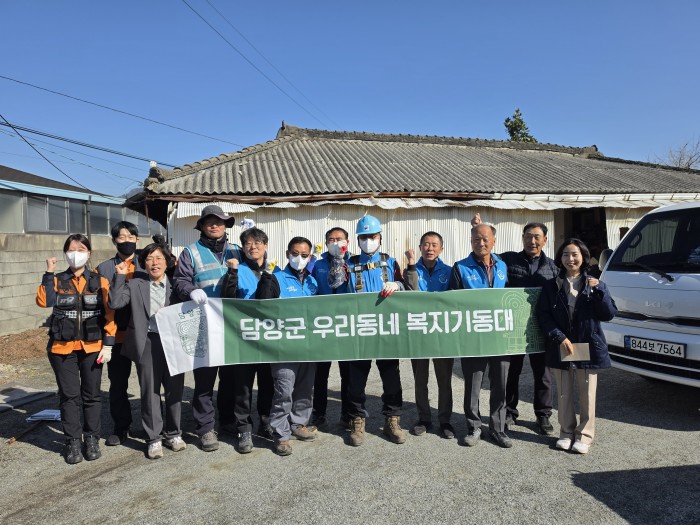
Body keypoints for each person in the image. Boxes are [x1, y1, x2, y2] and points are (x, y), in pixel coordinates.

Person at [473, 213, 558, 435]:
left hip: (541, 328)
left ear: (545, 240)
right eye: (528, 236)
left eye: (537, 237)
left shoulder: (553, 267)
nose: (532, 241)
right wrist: (480, 229)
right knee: (512, 372)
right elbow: (485, 255)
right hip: (513, 328)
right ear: (523, 238)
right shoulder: (508, 260)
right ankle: (510, 412)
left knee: (543, 374)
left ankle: (543, 415)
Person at [36, 234, 116, 464]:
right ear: (65, 254)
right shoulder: (57, 280)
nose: (76, 254)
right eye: (71, 250)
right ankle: (72, 441)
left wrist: (108, 344)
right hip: (62, 348)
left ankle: (91, 438)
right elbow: (44, 301)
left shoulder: (100, 281)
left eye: (81, 249)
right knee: (69, 396)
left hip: (93, 347)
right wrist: (48, 273)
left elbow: (110, 314)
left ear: (89, 253)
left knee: (92, 395)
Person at [536, 238, 617, 454]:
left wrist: (600, 290)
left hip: (587, 344)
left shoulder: (594, 283)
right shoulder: (551, 285)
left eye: (575, 254)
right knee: (564, 392)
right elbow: (543, 315)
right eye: (565, 254)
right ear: (560, 258)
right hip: (562, 344)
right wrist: (559, 337)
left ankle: (584, 436)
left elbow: (608, 314)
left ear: (583, 257)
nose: (570, 259)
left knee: (587, 393)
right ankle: (566, 432)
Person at [172, 204, 241, 452]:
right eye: (209, 221)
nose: (215, 225)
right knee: (204, 379)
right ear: (201, 226)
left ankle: (228, 420)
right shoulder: (191, 252)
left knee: (230, 378)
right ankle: (205, 428)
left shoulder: (237, 250)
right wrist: (191, 290)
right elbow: (180, 280)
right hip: (203, 324)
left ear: (225, 225)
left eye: (219, 221)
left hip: (231, 325)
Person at [109, 242, 185, 460]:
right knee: (150, 390)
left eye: (159, 258)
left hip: (174, 342)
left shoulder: (177, 285)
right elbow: (115, 302)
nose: (154, 263)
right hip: (148, 341)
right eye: (150, 259)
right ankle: (153, 438)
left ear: (167, 262)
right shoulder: (136, 284)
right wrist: (119, 277)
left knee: (174, 389)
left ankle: (173, 433)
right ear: (144, 263)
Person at [449, 223, 512, 448]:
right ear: (471, 242)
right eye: (476, 239)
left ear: (494, 241)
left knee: (500, 384)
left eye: (485, 239)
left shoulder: (502, 265)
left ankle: (497, 428)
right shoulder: (460, 268)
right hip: (473, 337)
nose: (481, 243)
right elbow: (452, 302)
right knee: (473, 384)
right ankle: (474, 426)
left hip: (499, 337)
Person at [346, 214, 406, 446]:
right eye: (364, 237)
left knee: (391, 378)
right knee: (356, 380)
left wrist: (397, 284)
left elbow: (406, 286)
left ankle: (392, 420)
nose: (368, 241)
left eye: (372, 236)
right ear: (357, 240)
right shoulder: (348, 264)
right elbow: (335, 292)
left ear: (380, 237)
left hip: (386, 330)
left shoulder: (390, 262)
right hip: (359, 330)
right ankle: (357, 420)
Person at [256, 236, 319, 456]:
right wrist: (266, 277)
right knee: (283, 391)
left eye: (304, 255)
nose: (299, 258)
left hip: (308, 346)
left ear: (310, 257)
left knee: (305, 389)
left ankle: (299, 424)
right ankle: (280, 434)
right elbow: (264, 304)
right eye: (295, 254)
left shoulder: (313, 282)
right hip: (283, 346)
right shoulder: (276, 278)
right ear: (287, 254)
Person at [220, 226, 275, 454]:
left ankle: (265, 421)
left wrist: (269, 276)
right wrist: (232, 274)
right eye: (248, 244)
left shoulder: (274, 270)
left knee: (267, 383)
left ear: (266, 246)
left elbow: (276, 300)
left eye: (257, 243)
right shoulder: (237, 270)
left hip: (267, 338)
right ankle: (244, 428)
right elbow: (227, 298)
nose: (253, 247)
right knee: (242, 386)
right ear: (242, 248)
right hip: (243, 338)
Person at [404, 231, 455, 439]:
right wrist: (411, 265)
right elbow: (411, 292)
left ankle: (445, 421)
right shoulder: (412, 270)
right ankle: (424, 418)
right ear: (420, 248)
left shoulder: (450, 271)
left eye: (434, 244)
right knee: (420, 379)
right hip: (418, 332)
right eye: (426, 244)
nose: (430, 248)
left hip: (442, 333)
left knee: (444, 380)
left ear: (441, 248)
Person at [96, 221, 141, 447]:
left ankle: (154, 426)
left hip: (144, 335)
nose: (126, 241)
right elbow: (104, 306)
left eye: (131, 237)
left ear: (137, 240)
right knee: (117, 385)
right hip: (117, 335)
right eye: (121, 237)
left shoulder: (146, 263)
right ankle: (121, 427)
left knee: (150, 383)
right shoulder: (104, 269)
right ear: (114, 241)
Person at [309, 227, 352, 430]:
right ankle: (319, 414)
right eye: (331, 240)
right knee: (320, 374)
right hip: (323, 325)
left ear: (347, 242)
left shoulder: (354, 263)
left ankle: (347, 414)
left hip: (346, 326)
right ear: (326, 243)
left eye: (339, 239)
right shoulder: (317, 265)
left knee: (348, 374)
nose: (335, 243)